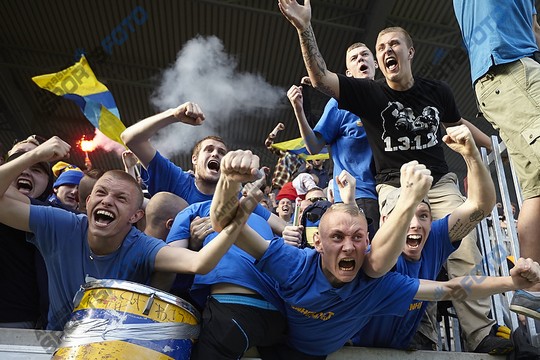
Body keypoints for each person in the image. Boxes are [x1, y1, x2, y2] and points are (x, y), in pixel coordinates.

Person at [277, 0, 505, 352]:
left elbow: (459, 126)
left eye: (393, 44)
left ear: (410, 51)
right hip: (395, 185)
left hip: (440, 181)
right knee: (399, 254)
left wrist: (498, 147)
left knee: (464, 247)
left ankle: (480, 335)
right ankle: (410, 327)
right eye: (380, 47)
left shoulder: (438, 91)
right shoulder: (368, 93)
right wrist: (304, 28)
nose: (386, 51)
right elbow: (321, 79)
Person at [210, 149, 540, 359]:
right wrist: (226, 179)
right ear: (318, 243)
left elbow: (452, 289)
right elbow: (226, 225)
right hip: (278, 342)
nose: (349, 246)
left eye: (357, 238)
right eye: (337, 238)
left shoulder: (377, 283)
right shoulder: (295, 264)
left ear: (368, 240)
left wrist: (511, 283)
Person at [0, 136, 260, 331]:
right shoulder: (62, 225)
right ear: (87, 202)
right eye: (101, 194)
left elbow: (200, 263)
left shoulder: (140, 246)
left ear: (136, 216)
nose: (107, 202)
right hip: (56, 345)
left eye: (121, 198)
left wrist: (237, 219)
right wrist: (35, 156)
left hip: (116, 348)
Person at [350, 125, 512, 353]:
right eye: (406, 215)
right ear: (385, 220)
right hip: (358, 348)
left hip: (402, 343)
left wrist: (472, 156)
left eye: (424, 215)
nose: (416, 224)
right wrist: (410, 197)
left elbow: (480, 206)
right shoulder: (374, 251)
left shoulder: (433, 238)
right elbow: (377, 265)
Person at [453, 0, 540, 319]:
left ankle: (532, 292)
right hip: (508, 68)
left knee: (535, 191)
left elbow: (534, 30)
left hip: (517, 72)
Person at [287, 43, 379, 235]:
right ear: (349, 72)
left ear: (376, 63)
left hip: (389, 195)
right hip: (356, 196)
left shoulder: (388, 101)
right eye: (354, 58)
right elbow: (313, 146)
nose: (360, 59)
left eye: (364, 55)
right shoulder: (339, 104)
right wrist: (298, 110)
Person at [0, 148, 53, 329]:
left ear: (48, 184)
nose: (25, 171)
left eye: (37, 170)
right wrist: (36, 154)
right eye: (18, 165)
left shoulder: (57, 218)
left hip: (25, 324)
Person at [264, 122, 305, 192]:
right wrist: (276, 129)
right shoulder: (286, 153)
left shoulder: (303, 160)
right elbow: (268, 143)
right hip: (278, 186)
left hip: (289, 189)